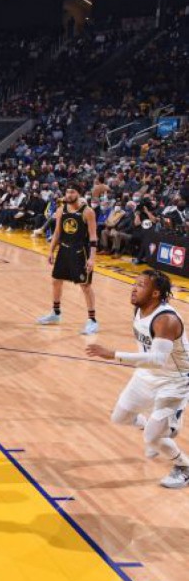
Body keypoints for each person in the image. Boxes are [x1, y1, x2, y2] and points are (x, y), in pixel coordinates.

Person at [87, 270, 189, 488]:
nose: (134, 288)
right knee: (120, 417)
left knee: (152, 439)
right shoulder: (140, 309)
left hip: (173, 381)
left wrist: (113, 354)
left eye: (141, 285)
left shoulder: (166, 320)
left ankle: (183, 466)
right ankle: (158, 426)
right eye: (135, 283)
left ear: (155, 293)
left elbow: (158, 360)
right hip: (146, 375)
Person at [36, 184, 99, 334]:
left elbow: (93, 236)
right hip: (63, 250)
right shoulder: (60, 210)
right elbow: (57, 233)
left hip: (80, 252)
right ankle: (56, 314)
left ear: (79, 193)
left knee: (85, 286)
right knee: (56, 281)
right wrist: (51, 251)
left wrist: (92, 258)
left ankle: (92, 320)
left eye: (72, 191)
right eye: (67, 191)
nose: (69, 194)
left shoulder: (87, 212)